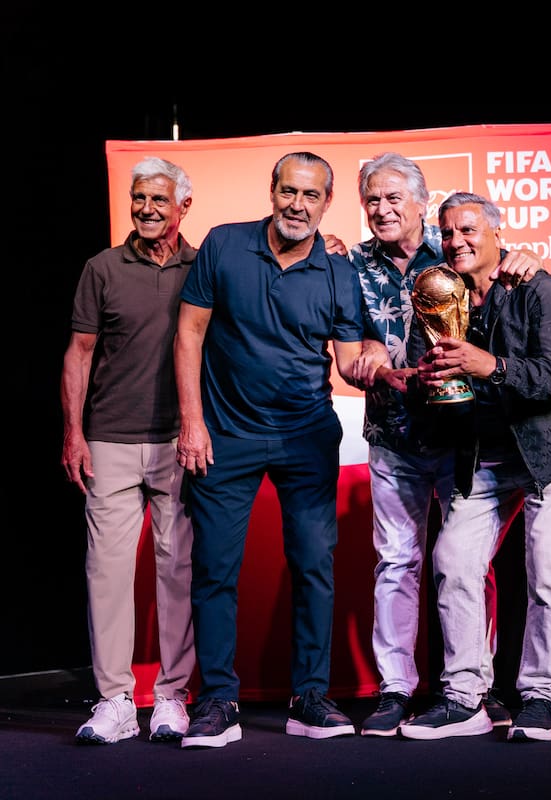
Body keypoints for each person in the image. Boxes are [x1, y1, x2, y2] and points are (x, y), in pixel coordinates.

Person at [174, 151, 379, 748]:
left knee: (314, 565)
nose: (297, 204)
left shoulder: (339, 271)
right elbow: (189, 331)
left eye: (311, 196)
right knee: (214, 569)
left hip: (306, 437)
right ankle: (217, 701)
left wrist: (379, 370)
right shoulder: (224, 244)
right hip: (225, 435)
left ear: (326, 203)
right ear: (272, 190)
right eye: (289, 191)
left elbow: (347, 362)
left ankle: (309, 696)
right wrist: (193, 421)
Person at [349, 153, 540, 735]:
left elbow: (505, 275)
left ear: (420, 202)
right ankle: (395, 688)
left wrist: (523, 259)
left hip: (463, 440)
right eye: (372, 200)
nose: (382, 209)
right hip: (392, 437)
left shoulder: (456, 248)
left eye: (392, 198)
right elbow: (348, 346)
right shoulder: (348, 264)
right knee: (396, 563)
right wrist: (376, 369)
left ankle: (473, 687)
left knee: (467, 563)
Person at [393, 192, 551, 742]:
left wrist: (491, 366)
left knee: (548, 574)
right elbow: (420, 367)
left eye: (469, 230)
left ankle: (541, 698)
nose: (457, 241)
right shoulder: (436, 291)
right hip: (484, 456)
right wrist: (426, 381)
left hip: (550, 453)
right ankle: (464, 696)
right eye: (448, 232)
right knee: (453, 561)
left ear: (497, 235)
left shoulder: (537, 289)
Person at [62, 156, 197, 744]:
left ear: (182, 207)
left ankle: (172, 697)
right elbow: (79, 353)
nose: (146, 208)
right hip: (109, 440)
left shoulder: (205, 266)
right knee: (108, 576)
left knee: (179, 572)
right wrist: (73, 433)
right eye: (139, 198)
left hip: (178, 441)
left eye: (159, 200)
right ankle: (115, 701)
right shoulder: (102, 267)